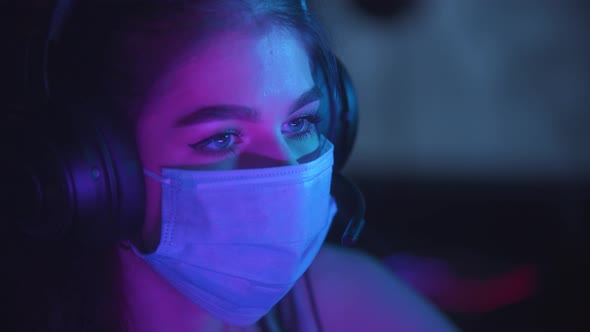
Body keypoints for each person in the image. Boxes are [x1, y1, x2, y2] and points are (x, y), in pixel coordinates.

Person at [5, 1, 459, 331]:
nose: (287, 176)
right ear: (98, 173)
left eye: (299, 122)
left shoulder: (341, 299)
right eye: (221, 138)